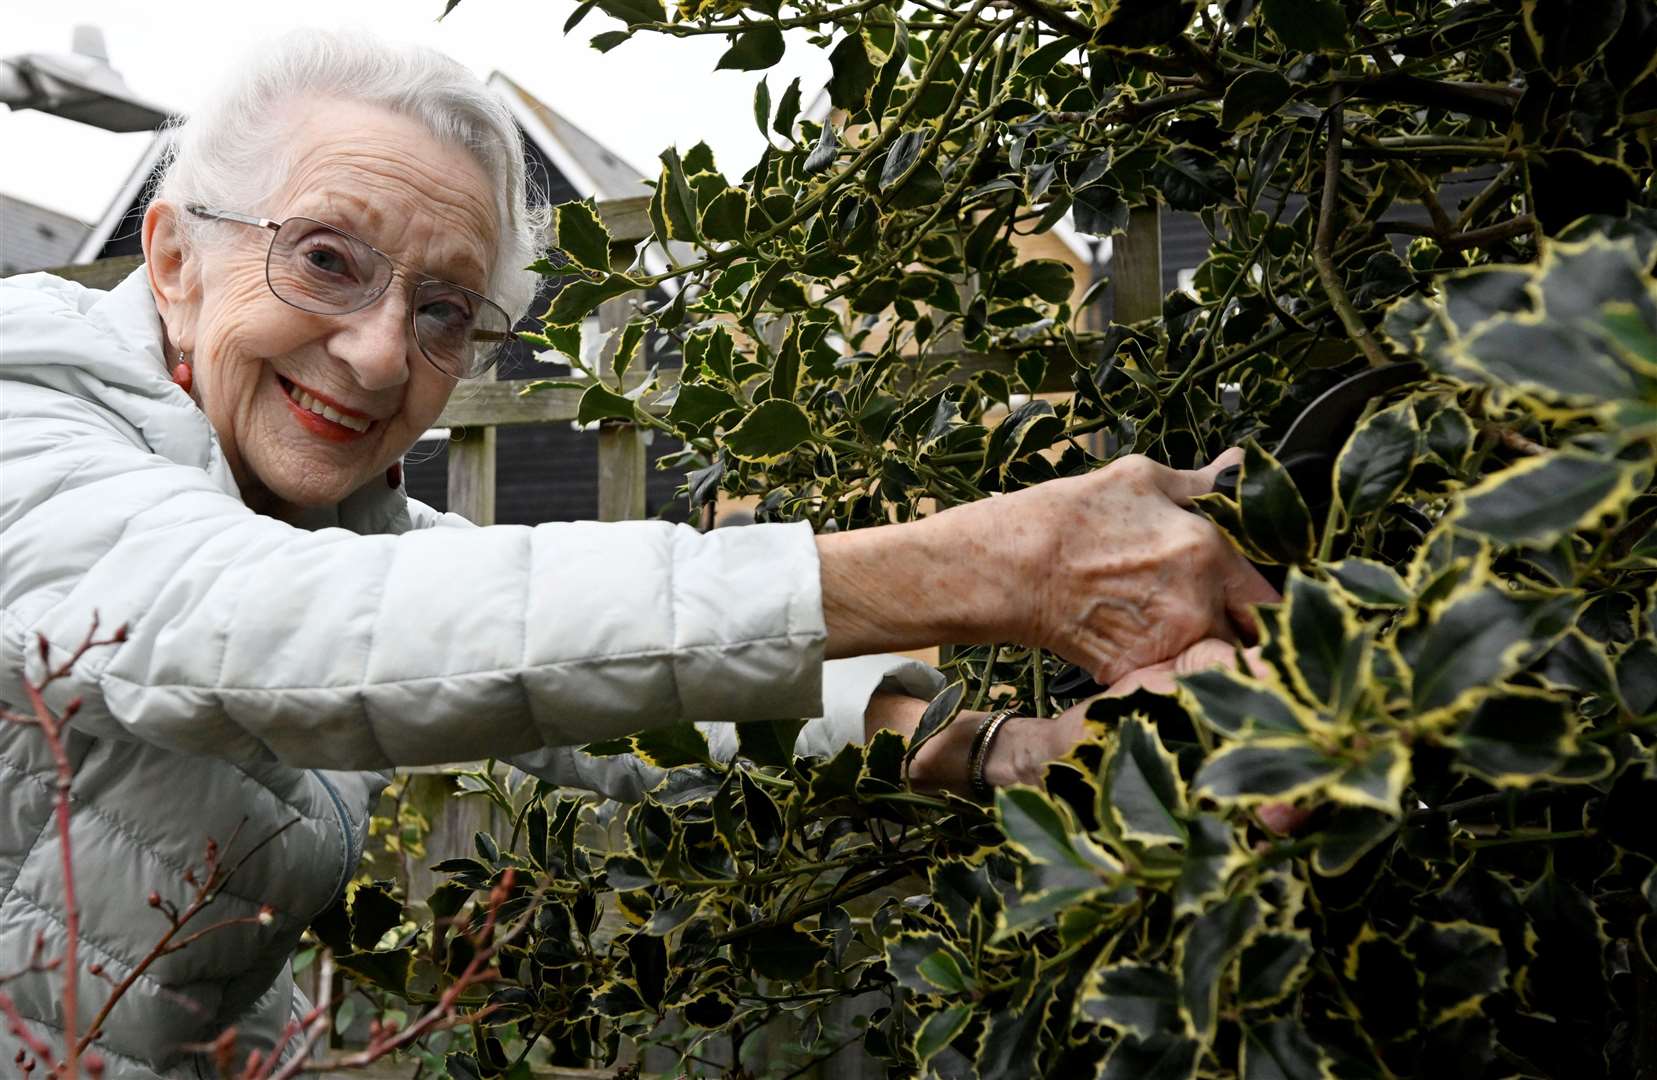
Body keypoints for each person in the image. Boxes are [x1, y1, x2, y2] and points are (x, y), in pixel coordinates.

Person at [0, 30, 1276, 1076]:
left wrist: (993, 749)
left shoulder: (346, 530)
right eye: (326, 259)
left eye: (443, 310)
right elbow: (267, 630)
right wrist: (989, 567)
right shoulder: (27, 406)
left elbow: (597, 701)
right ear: (174, 258)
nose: (385, 353)